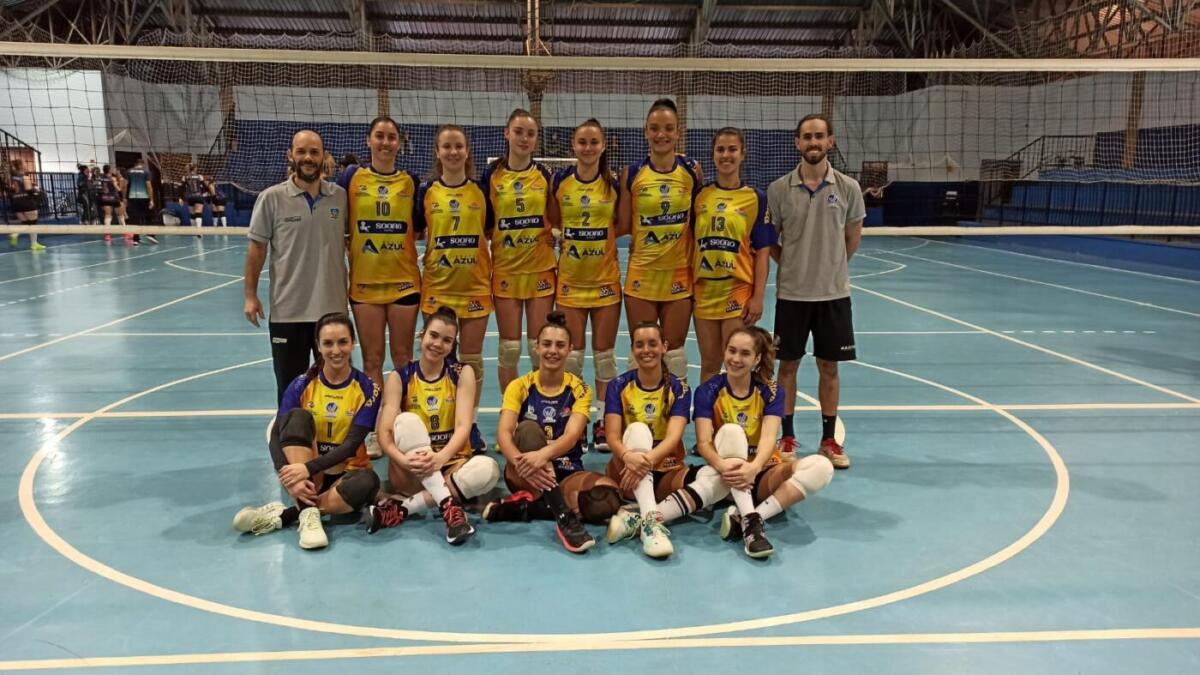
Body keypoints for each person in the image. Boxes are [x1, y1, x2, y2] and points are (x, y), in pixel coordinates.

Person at [655, 327, 834, 558]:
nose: (736, 359)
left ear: (757, 359)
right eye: (732, 351)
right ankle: (752, 528)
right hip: (725, 472)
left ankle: (749, 517)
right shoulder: (708, 390)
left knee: (822, 467)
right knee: (732, 432)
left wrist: (754, 468)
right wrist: (723, 467)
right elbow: (703, 442)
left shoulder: (771, 391)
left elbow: (769, 438)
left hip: (762, 473)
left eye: (745, 353)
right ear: (724, 352)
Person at [232, 312, 382, 550]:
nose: (336, 350)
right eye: (328, 343)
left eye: (343, 342)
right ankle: (308, 513)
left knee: (368, 482)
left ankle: (290, 514)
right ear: (318, 346)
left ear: (353, 343)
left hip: (345, 472)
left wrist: (305, 469)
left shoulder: (368, 388)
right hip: (305, 474)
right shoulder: (301, 384)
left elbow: (351, 445)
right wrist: (288, 475)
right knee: (297, 418)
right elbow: (276, 435)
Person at [767, 114, 864, 469]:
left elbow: (852, 237)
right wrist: (793, 265)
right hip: (792, 295)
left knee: (829, 367)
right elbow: (771, 241)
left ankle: (828, 440)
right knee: (787, 367)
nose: (813, 142)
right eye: (807, 136)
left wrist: (830, 267)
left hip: (832, 295)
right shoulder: (779, 189)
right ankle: (787, 437)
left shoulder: (849, 188)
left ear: (830, 141)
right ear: (797, 142)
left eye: (819, 136)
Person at [481, 312, 621, 554]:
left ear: (570, 349)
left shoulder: (580, 389)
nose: (552, 351)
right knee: (528, 429)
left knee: (609, 498)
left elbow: (571, 437)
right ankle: (565, 517)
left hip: (566, 471)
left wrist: (543, 455)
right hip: (524, 471)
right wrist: (522, 462)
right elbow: (504, 433)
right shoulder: (519, 386)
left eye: (560, 345)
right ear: (536, 347)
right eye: (546, 344)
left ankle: (526, 508)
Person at [365, 307, 500, 545]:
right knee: (406, 422)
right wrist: (403, 460)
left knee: (489, 469)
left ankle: (403, 508)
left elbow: (464, 426)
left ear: (453, 345)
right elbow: (384, 433)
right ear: (422, 335)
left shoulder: (462, 373)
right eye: (434, 335)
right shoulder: (400, 376)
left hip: (451, 464)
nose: (438, 344)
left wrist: (440, 458)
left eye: (447, 340)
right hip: (412, 470)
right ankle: (450, 507)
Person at [244, 128, 350, 404]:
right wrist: (250, 295)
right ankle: (291, 432)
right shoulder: (271, 198)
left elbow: (353, 243)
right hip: (288, 312)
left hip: (331, 311)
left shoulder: (340, 197)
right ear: (290, 155)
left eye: (314, 152)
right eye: (301, 151)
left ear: (324, 156)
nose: (308, 157)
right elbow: (257, 249)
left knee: (335, 389)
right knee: (291, 391)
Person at [413, 124, 492, 452]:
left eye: (459, 146)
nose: (453, 152)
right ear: (438, 152)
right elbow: (415, 231)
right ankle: (439, 424)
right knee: (437, 359)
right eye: (446, 146)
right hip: (437, 288)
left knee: (471, 362)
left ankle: (469, 425)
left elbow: (491, 230)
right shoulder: (426, 192)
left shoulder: (482, 190)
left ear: (467, 150)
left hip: (474, 287)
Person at [546, 118, 622, 452]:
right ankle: (574, 422)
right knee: (573, 359)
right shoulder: (560, 181)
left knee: (605, 358)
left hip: (605, 283)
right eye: (582, 142)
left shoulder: (614, 184)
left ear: (603, 146)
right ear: (573, 146)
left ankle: (603, 422)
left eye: (594, 142)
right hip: (570, 284)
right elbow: (553, 220)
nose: (588, 148)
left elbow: (622, 223)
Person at [339, 117, 421, 410]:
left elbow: (419, 227)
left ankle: (403, 421)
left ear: (399, 143)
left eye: (391, 137)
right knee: (372, 359)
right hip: (365, 285)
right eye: (380, 136)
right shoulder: (351, 178)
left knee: (402, 358)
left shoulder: (411, 181)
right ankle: (374, 421)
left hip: (404, 283)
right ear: (369, 140)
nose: (385, 142)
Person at [618, 98, 701, 384]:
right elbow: (623, 224)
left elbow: (698, 222)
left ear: (678, 132)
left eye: (668, 128)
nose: (661, 134)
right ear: (646, 132)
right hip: (642, 275)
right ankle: (637, 407)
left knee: (674, 354)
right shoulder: (632, 173)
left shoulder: (691, 170)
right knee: (642, 350)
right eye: (654, 128)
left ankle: (675, 407)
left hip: (679, 275)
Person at [601, 321, 692, 559]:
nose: (646, 350)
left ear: (664, 346)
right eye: (639, 345)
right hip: (626, 469)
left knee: (712, 479)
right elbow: (612, 436)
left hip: (666, 469)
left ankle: (638, 518)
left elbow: (673, 438)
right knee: (639, 429)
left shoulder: (679, 388)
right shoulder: (619, 385)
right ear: (632, 349)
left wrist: (646, 461)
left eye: (653, 343)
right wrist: (629, 457)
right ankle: (651, 529)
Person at [482, 108, 557, 396]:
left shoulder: (545, 175)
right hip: (506, 270)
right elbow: (485, 222)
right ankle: (511, 409)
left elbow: (556, 217)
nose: (524, 138)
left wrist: (557, 236)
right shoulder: (492, 175)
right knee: (509, 349)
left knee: (540, 347)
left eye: (530, 133)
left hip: (540, 269)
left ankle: (540, 406)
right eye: (518, 132)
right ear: (507, 134)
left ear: (536, 139)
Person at [693, 127, 775, 383]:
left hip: (737, 290)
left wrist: (758, 297)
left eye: (732, 149)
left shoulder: (755, 198)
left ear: (743, 154)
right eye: (720, 149)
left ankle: (738, 410)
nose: (726, 155)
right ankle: (708, 410)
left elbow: (763, 253)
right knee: (709, 363)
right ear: (713, 154)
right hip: (704, 290)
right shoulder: (700, 195)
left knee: (736, 364)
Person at [7, 159, 45, 251]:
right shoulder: (24, 177)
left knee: (26, 224)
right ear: (21, 166)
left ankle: (15, 234)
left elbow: (12, 190)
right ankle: (33, 244)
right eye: (23, 164)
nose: (25, 165)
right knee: (33, 224)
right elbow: (29, 190)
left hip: (17, 202)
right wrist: (36, 189)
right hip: (27, 202)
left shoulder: (12, 179)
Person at [124, 157, 158, 244]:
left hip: (132, 197)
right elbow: (148, 186)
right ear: (143, 164)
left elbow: (125, 185)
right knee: (149, 216)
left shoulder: (129, 171)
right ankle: (150, 235)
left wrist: (124, 198)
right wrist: (151, 199)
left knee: (134, 218)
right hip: (144, 197)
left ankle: (136, 239)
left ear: (135, 164)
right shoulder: (146, 172)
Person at [98, 164, 122, 242]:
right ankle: (126, 232)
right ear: (109, 170)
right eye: (112, 169)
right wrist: (120, 184)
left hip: (105, 198)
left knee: (107, 215)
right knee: (121, 214)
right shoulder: (112, 178)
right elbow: (118, 189)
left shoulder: (101, 178)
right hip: (113, 198)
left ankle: (107, 234)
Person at [183, 163, 208, 231]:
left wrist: (181, 197)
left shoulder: (185, 177)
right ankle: (199, 231)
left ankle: (193, 231)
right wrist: (205, 193)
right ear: (195, 169)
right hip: (198, 196)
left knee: (192, 215)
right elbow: (205, 187)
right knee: (198, 213)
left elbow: (182, 188)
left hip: (190, 197)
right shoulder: (199, 176)